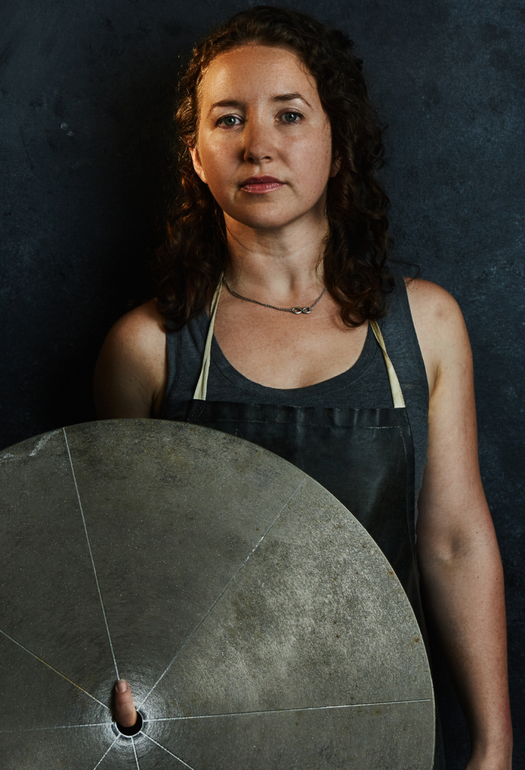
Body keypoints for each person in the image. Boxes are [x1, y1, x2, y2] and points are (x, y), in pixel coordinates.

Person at [94, 6, 512, 768]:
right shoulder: (147, 347)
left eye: (289, 114)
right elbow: (110, 569)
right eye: (227, 120)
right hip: (199, 739)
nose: (258, 144)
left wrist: (491, 743)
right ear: (194, 154)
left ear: (337, 141)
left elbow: (451, 543)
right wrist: (117, 695)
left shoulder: (425, 324)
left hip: (385, 728)